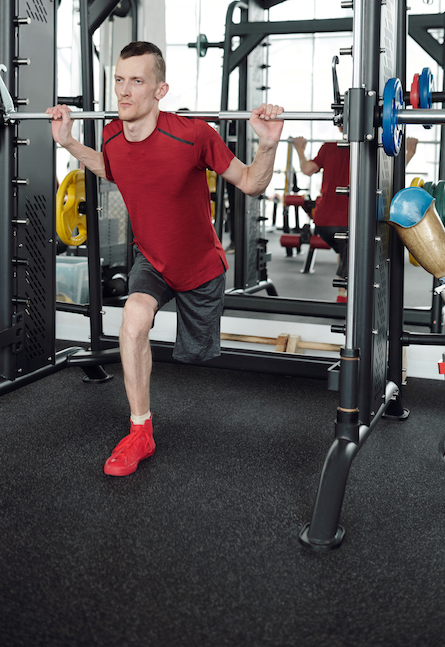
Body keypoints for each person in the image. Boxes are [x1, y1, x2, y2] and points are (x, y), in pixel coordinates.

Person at [47, 40, 284, 477]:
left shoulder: (194, 135)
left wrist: (268, 145)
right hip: (151, 260)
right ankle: (141, 431)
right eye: (119, 80)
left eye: (137, 81)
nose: (124, 91)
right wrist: (68, 143)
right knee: (132, 322)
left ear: (160, 90)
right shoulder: (112, 133)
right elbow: (112, 167)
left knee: (197, 358)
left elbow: (251, 183)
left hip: (199, 268)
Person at [292, 133, 418, 301]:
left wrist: (300, 150)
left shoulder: (329, 146)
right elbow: (389, 175)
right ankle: (343, 302)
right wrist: (409, 153)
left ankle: (346, 295)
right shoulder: (371, 148)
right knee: (349, 260)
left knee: (345, 252)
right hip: (351, 223)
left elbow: (307, 169)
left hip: (323, 223)